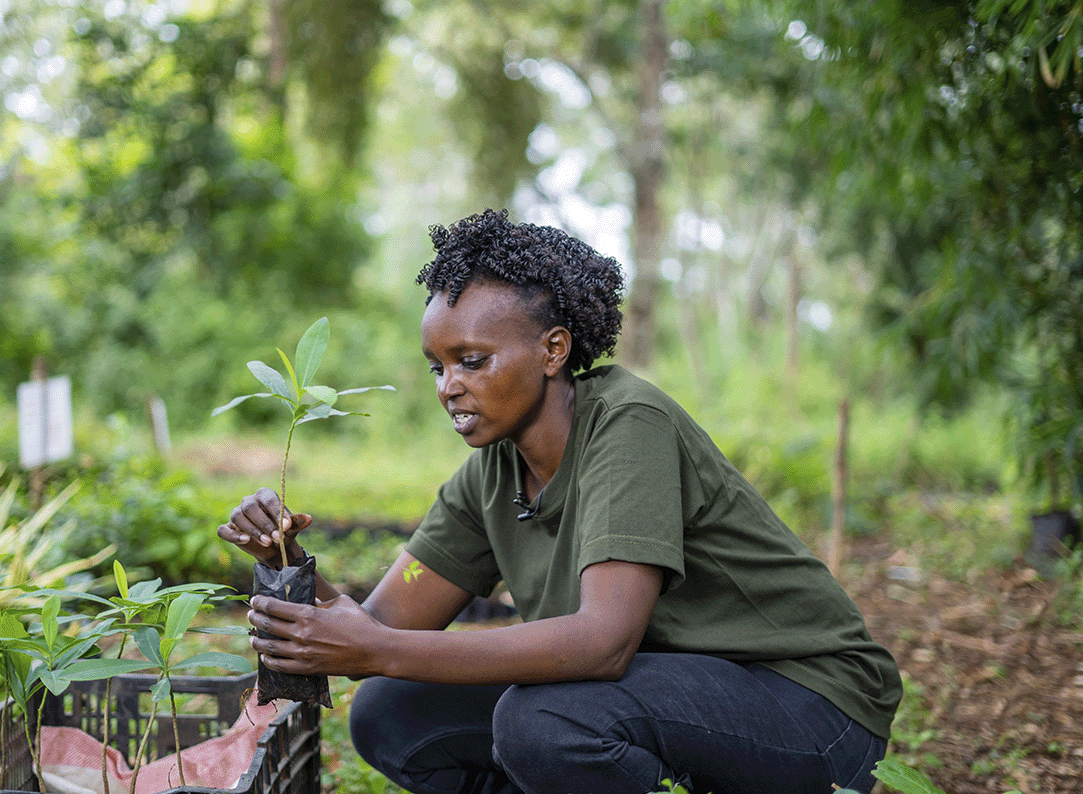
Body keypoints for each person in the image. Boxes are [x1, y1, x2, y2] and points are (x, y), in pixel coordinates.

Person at [218, 209, 902, 794]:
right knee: (392, 710)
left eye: (472, 361)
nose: (447, 387)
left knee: (545, 721)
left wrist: (376, 649)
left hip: (810, 708)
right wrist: (286, 557)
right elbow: (381, 623)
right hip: (668, 698)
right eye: (438, 366)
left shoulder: (629, 424)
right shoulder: (491, 471)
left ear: (552, 351)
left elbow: (601, 645)